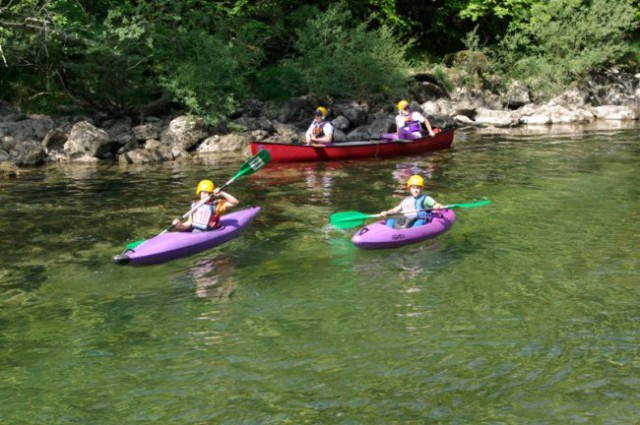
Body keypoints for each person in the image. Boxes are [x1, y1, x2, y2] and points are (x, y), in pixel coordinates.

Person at [379, 174, 444, 229]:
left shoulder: (426, 199)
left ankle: (412, 232)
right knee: (390, 221)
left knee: (420, 222)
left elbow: (435, 204)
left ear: (421, 188)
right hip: (407, 219)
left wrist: (438, 206)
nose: (415, 190)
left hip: (420, 219)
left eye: (418, 188)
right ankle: (387, 233)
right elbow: (394, 210)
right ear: (409, 188)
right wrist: (386, 212)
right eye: (413, 188)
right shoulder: (406, 200)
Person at [172, 180, 239, 232]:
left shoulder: (217, 205)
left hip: (210, 232)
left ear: (212, 194)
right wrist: (180, 225)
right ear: (199, 194)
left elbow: (235, 202)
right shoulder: (194, 205)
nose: (206, 195)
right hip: (195, 232)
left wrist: (222, 193)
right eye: (204, 193)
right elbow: (189, 223)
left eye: (209, 193)